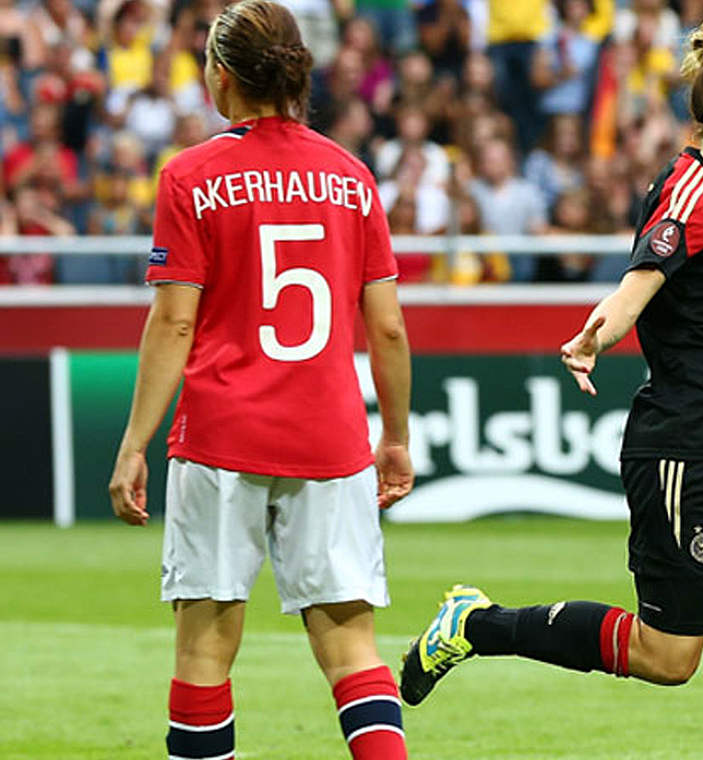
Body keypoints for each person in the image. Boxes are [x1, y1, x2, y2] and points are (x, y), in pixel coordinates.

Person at [399, 19, 703, 759]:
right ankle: (474, 625)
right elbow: (636, 285)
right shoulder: (690, 193)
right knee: (667, 657)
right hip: (685, 455)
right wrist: (596, 333)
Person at [106, 2, 413, 759]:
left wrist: (134, 443)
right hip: (331, 437)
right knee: (353, 651)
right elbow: (389, 327)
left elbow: (174, 323)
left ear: (220, 76)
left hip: (222, 435)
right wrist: (396, 436)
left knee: (205, 653)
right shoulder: (351, 177)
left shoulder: (189, 177)